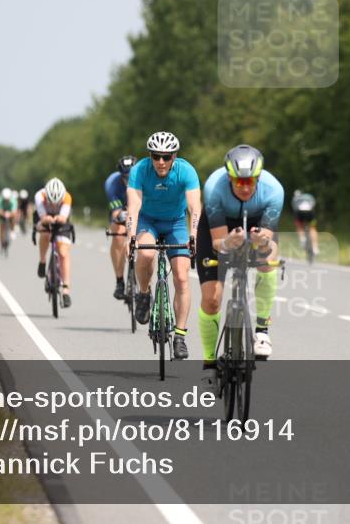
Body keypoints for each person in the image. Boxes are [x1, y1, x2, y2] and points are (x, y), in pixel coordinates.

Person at [197, 145, 283, 386]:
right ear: (229, 177)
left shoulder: (274, 190)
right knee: (212, 299)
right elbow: (216, 243)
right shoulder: (214, 187)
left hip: (256, 222)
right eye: (238, 181)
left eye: (250, 181)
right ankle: (209, 362)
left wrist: (261, 243)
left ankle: (262, 332)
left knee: (269, 259)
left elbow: (268, 242)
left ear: (258, 177)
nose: (245, 187)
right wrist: (227, 243)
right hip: (219, 227)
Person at [125, 132, 201, 360]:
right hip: (148, 222)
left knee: (181, 276)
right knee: (146, 253)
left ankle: (179, 336)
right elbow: (134, 206)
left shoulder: (186, 171)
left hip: (176, 223)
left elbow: (194, 207)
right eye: (156, 156)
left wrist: (194, 235)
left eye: (166, 157)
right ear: (150, 156)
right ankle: (143, 293)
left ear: (174, 156)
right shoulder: (139, 170)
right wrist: (131, 236)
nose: (161, 162)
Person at [35, 177, 74, 307]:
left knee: (63, 252)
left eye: (57, 203)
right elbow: (43, 218)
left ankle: (66, 289)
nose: (53, 205)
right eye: (51, 202)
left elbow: (63, 218)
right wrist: (47, 220)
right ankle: (42, 260)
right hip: (44, 217)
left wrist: (58, 218)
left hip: (60, 219)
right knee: (45, 233)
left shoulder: (67, 197)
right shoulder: (39, 196)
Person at [105, 155, 137, 300]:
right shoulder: (112, 184)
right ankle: (119, 281)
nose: (128, 180)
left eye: (131, 176)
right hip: (121, 212)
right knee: (118, 235)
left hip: (139, 213)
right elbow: (116, 213)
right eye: (125, 177)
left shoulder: (146, 181)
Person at [291, 189, 319, 258]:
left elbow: (294, 209)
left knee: (299, 226)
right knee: (312, 228)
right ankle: (315, 247)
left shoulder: (295, 199)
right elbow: (313, 204)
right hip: (310, 213)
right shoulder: (308, 196)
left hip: (300, 213)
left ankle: (302, 238)